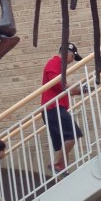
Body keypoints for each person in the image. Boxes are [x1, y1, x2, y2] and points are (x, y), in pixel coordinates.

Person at [41, 43, 85, 172]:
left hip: (53, 108)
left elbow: (63, 87)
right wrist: (77, 89)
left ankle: (63, 169)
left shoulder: (58, 66)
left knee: (62, 143)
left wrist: (79, 90)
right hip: (53, 107)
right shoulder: (54, 62)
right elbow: (58, 84)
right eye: (73, 57)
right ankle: (55, 163)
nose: (72, 61)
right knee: (73, 134)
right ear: (67, 54)